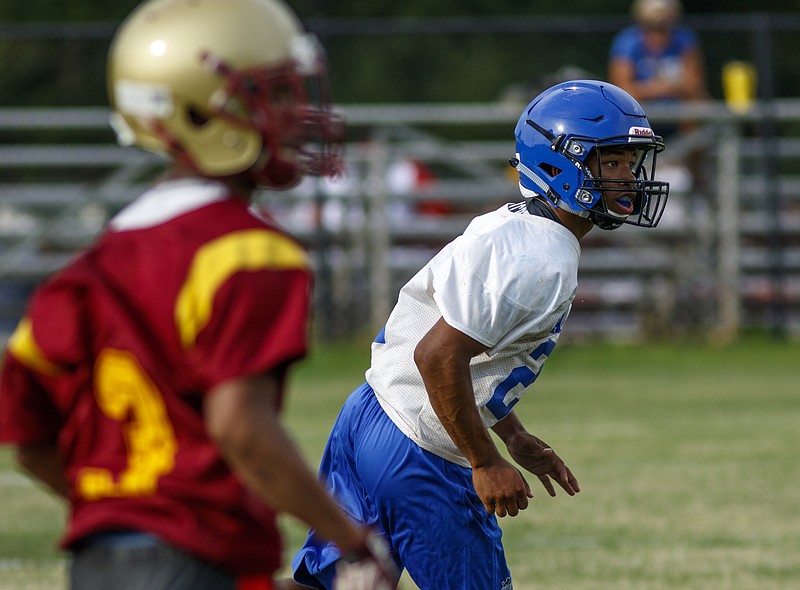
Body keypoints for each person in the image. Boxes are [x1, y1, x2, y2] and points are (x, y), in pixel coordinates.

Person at [0, 1, 398, 589]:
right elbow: (240, 426)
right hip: (192, 564)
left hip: (98, 565)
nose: (294, 116)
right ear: (197, 112)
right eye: (273, 96)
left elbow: (29, 439)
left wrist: (124, 509)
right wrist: (351, 541)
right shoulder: (246, 250)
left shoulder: (88, 270)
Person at [283, 80, 671, 590]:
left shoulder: (512, 224)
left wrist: (510, 433)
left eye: (630, 162)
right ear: (561, 163)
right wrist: (485, 459)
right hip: (419, 448)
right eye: (612, 162)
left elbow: (471, 353)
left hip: (368, 413)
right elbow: (438, 356)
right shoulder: (541, 259)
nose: (629, 179)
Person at [608, 0, 707, 139]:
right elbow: (623, 90)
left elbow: (694, 84)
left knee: (698, 104)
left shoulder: (684, 39)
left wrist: (646, 88)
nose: (658, 33)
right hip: (641, 113)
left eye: (664, 26)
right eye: (651, 26)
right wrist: (669, 86)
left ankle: (686, 156)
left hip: (679, 114)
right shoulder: (627, 42)